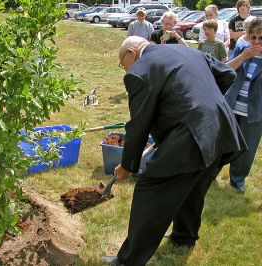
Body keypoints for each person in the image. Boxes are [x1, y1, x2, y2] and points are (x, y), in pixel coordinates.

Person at [101, 36, 247, 266]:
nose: (125, 70)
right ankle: (184, 237)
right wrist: (203, 102)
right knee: (193, 183)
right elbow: (227, 74)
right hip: (221, 127)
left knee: (151, 188)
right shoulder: (185, 51)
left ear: (131, 52)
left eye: (122, 64)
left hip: (192, 135)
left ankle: (127, 261)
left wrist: (127, 166)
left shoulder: (139, 70)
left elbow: (138, 125)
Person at [223, 17, 262, 192]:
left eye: (261, 38)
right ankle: (209, 175)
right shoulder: (241, 49)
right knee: (221, 143)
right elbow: (226, 69)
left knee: (246, 149)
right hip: (231, 106)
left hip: (255, 112)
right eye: (253, 37)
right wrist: (243, 56)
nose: (256, 42)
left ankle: (237, 180)